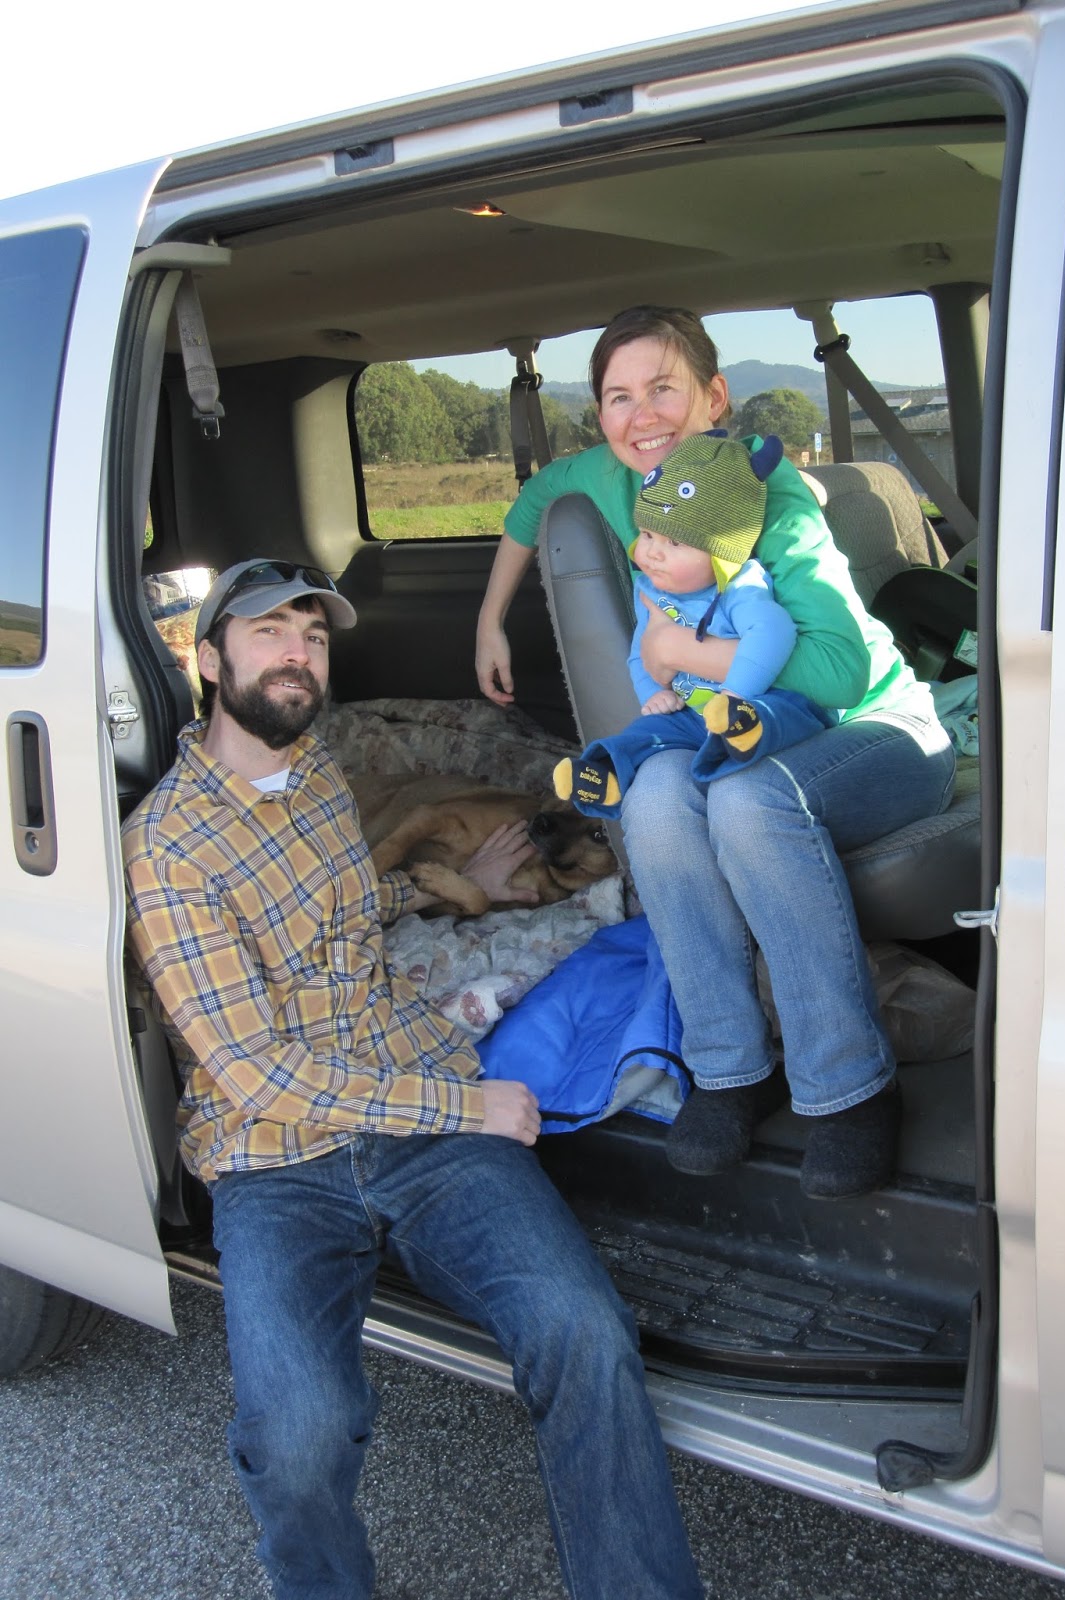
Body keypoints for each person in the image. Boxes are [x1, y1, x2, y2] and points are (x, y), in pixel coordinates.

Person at [123, 558, 704, 1600]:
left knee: (586, 1334)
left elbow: (334, 921)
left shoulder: (316, 779)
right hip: (278, 1160)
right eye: (268, 634)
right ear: (209, 660)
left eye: (312, 636)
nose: (297, 655)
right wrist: (465, 1103)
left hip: (414, 1119)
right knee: (297, 1436)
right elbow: (255, 1067)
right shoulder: (166, 847)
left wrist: (456, 889)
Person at [476, 306, 955, 1195]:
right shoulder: (635, 491)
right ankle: (731, 1067)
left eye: (663, 388)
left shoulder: (772, 503)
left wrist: (678, 656)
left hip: (879, 736)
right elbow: (534, 501)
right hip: (746, 740)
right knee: (654, 795)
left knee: (747, 800)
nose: (641, 414)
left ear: (713, 397)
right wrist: (489, 620)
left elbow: (841, 669)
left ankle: (848, 1086)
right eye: (619, 397)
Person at [552, 429, 834, 815]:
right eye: (648, 534)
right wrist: (652, 692)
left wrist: (736, 692)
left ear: (721, 553)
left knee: (786, 710)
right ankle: (607, 774)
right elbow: (640, 653)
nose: (652, 553)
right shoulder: (651, 591)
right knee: (644, 735)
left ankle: (744, 730)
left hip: (754, 701)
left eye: (675, 543)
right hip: (693, 714)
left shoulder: (739, 587)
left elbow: (774, 632)